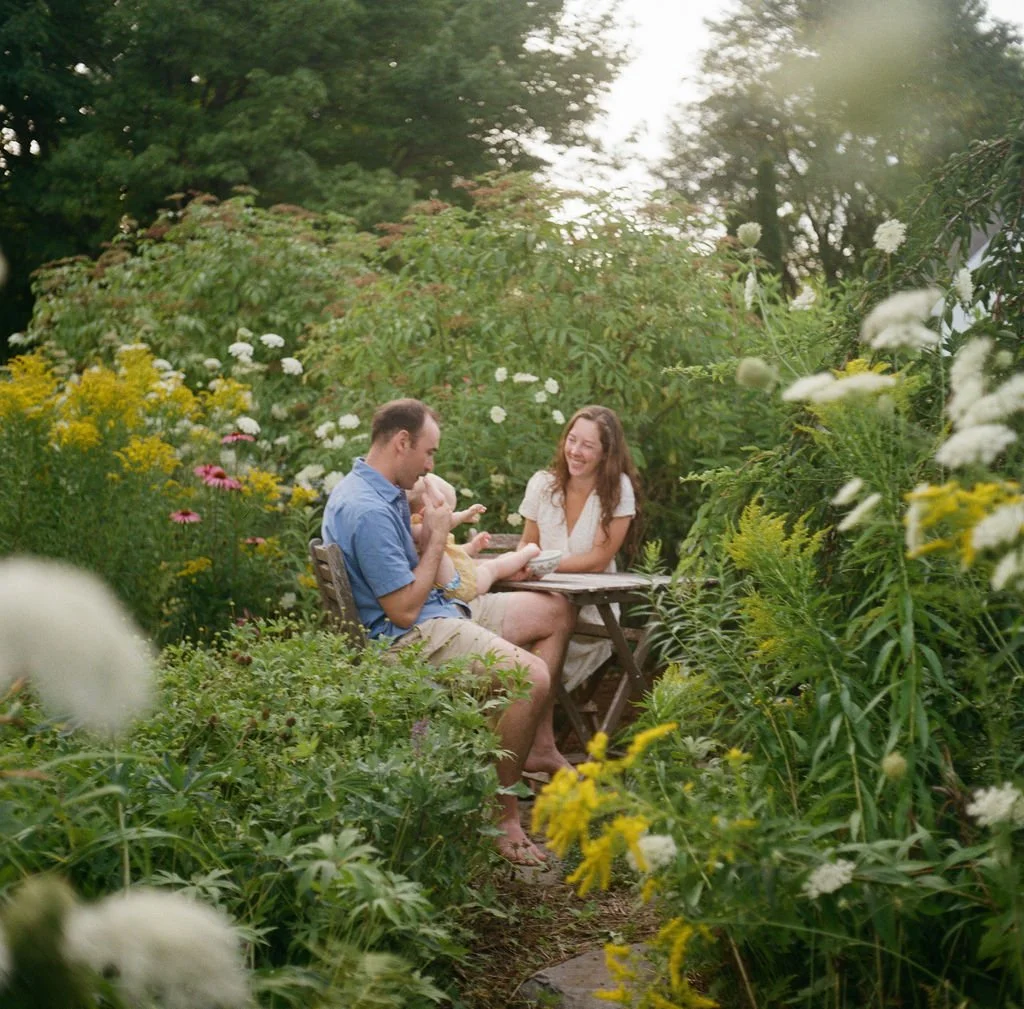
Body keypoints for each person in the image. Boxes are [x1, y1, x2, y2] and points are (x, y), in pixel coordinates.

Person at [321, 398, 573, 865]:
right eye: (429, 453)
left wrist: (423, 517)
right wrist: (437, 536)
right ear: (402, 443)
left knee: (554, 610)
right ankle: (501, 817)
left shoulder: (376, 490)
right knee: (530, 678)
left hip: (437, 615)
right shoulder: (368, 510)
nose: (431, 465)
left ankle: (535, 745)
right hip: (408, 639)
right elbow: (402, 609)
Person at [517, 405, 640, 757]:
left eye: (587, 445)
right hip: (542, 598)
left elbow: (600, 558)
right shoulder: (543, 484)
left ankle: (530, 748)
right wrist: (530, 563)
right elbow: (528, 543)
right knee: (510, 640)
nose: (575, 451)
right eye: (572, 440)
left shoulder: (618, 489)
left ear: (605, 453)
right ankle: (526, 749)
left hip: (592, 615)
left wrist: (546, 566)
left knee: (530, 645)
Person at [407, 473, 542, 602]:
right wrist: (465, 514)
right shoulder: (418, 529)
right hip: (458, 587)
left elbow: (451, 553)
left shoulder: (418, 532)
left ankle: (515, 561)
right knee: (493, 568)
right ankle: (528, 552)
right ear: (426, 512)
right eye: (450, 512)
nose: (452, 516)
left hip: (452, 584)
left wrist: (472, 547)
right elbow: (446, 523)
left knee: (497, 562)